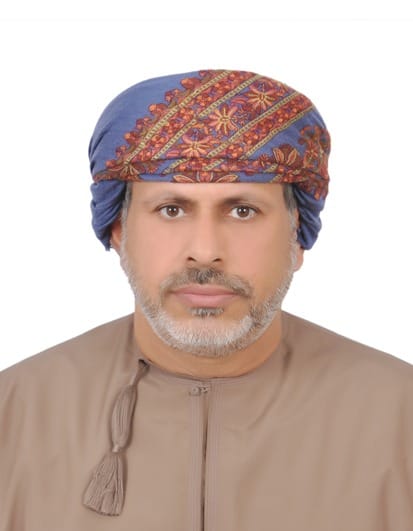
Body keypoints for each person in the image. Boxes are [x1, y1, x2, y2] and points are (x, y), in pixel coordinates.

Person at [1, 69, 412, 531]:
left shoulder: (400, 417)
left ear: (297, 236)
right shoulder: (15, 414)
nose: (204, 250)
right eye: (171, 209)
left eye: (243, 211)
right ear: (118, 231)